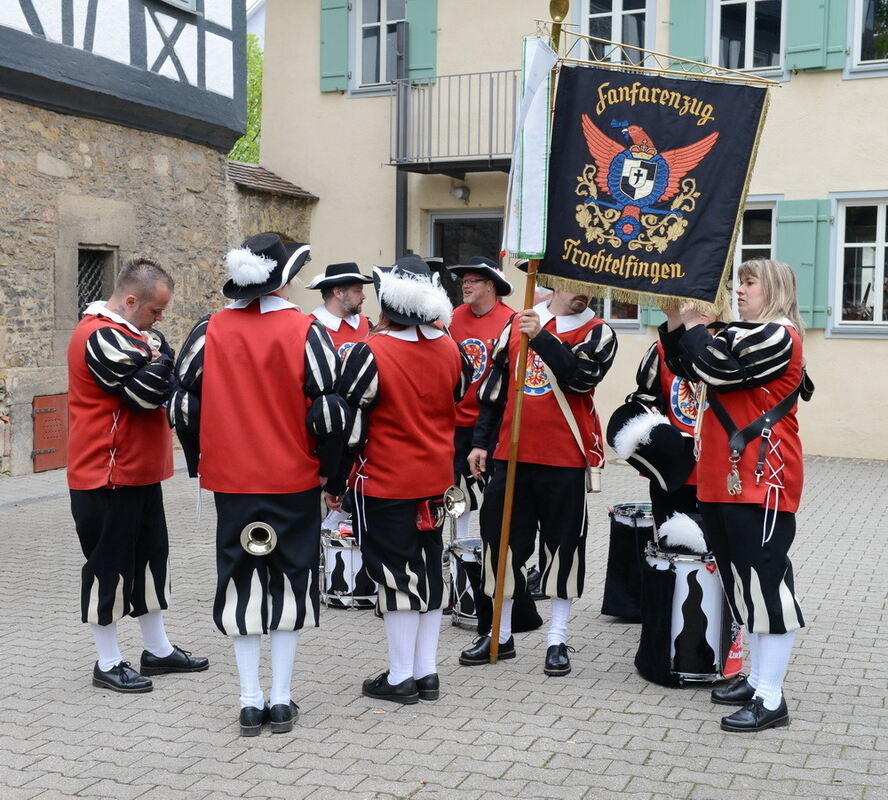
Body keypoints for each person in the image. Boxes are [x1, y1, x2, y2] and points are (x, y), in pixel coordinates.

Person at [168, 233, 349, 736]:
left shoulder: (210, 328)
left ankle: (250, 702)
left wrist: (200, 461)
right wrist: (331, 474)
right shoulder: (307, 330)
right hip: (293, 478)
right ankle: (283, 699)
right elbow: (330, 414)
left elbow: (182, 404)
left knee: (240, 579)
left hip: (232, 480)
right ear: (285, 279)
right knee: (292, 579)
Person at [660, 259, 812, 732]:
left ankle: (771, 698)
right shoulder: (743, 332)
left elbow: (717, 367)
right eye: (737, 282)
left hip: (763, 476)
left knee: (766, 587)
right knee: (740, 584)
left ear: (777, 289)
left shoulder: (779, 334)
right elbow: (686, 364)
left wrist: (697, 325)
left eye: (749, 282)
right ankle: (757, 677)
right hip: (727, 476)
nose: (738, 290)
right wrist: (676, 317)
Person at [458, 287, 617, 676]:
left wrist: (542, 337)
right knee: (502, 544)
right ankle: (501, 633)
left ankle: (557, 639)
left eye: (593, 288)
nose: (587, 294)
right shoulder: (516, 324)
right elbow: (493, 390)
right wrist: (481, 442)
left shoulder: (599, 332)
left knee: (564, 547)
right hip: (511, 456)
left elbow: (579, 379)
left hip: (564, 457)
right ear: (555, 283)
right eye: (578, 285)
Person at [333, 254, 471, 704]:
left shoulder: (370, 352)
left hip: (385, 479)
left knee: (395, 578)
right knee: (429, 572)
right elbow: (457, 394)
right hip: (435, 478)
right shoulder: (450, 347)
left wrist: (331, 479)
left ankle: (401, 676)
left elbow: (347, 420)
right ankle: (426, 672)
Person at [67, 257, 208, 694]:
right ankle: (107, 661)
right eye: (155, 311)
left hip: (140, 472)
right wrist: (159, 357)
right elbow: (146, 393)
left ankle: (157, 650)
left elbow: (162, 362)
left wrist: (156, 353)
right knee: (107, 567)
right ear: (130, 301)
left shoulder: (133, 333)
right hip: (105, 473)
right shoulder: (95, 333)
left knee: (150, 561)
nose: (160, 321)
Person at [447, 256, 515, 537]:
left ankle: (494, 549)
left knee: (494, 488)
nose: (465, 286)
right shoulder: (452, 317)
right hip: (454, 420)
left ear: (490, 285)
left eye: (472, 280)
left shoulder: (510, 320)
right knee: (456, 489)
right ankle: (460, 545)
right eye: (463, 281)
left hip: (491, 423)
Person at [306, 262, 374, 358]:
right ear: (338, 292)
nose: (363, 296)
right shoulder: (309, 328)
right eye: (358, 291)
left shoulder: (365, 323)